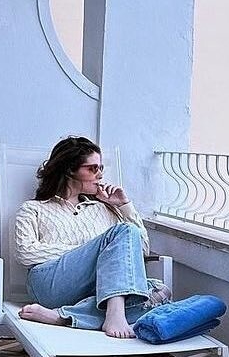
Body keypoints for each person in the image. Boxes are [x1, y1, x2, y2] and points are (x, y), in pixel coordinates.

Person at [13, 136, 167, 338]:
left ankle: (64, 316)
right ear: (70, 169)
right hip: (49, 284)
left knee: (160, 291)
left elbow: (141, 249)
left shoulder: (105, 208)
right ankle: (114, 314)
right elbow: (25, 253)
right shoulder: (33, 209)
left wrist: (124, 206)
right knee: (124, 233)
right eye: (93, 168)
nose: (100, 175)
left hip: (94, 289)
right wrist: (97, 251)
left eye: (101, 168)